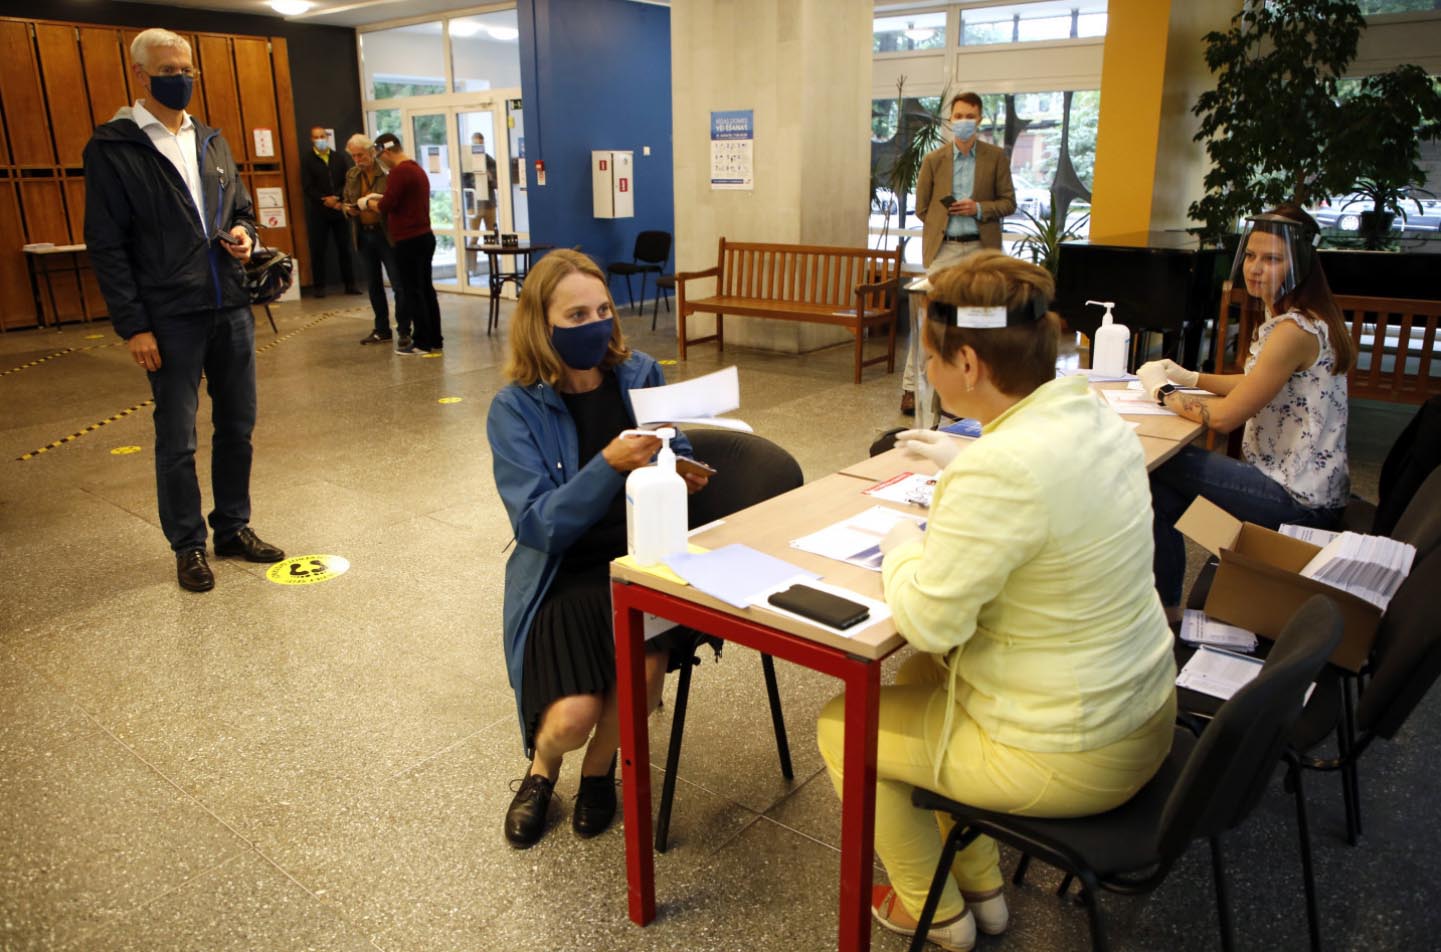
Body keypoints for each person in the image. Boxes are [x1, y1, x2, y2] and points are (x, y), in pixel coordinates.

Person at [816, 251, 1175, 952]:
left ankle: (935, 914)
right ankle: (980, 882)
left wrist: (901, 540)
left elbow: (926, 620)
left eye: (929, 355)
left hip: (1073, 754)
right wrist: (965, 463)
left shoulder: (998, 470)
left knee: (843, 723)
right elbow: (1047, 489)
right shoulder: (1093, 416)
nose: (925, 369)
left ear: (969, 365)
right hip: (1139, 710)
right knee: (924, 679)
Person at [487, 249, 711, 849]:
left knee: (641, 676)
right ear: (542, 324)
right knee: (571, 718)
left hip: (641, 562)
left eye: (603, 309)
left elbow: (674, 441)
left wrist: (681, 466)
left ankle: (597, 774)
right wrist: (607, 466)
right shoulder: (514, 408)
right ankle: (543, 770)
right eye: (576, 314)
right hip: (566, 572)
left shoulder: (639, 373)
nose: (596, 324)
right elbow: (538, 525)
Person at [83, 27, 286, 593]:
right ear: (141, 75)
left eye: (188, 68)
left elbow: (242, 209)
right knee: (178, 437)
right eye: (170, 70)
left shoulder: (211, 140)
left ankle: (233, 527)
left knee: (238, 427)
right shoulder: (114, 147)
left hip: (230, 306)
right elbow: (107, 245)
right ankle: (188, 544)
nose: (183, 79)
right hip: (168, 317)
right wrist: (134, 325)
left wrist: (245, 235)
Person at [1143, 205, 1352, 620]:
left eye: (1272, 259)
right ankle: (1165, 611)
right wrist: (1192, 376)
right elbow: (1253, 383)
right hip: (1306, 486)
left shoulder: (1292, 331)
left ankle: (1166, 602)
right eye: (1252, 255)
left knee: (1155, 465)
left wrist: (1162, 391)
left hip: (1298, 499)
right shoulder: (1299, 319)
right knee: (1158, 493)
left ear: (1301, 265)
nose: (1255, 268)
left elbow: (1224, 419)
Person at [902, 91, 1016, 416]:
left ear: (979, 120)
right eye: (958, 116)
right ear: (950, 120)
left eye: (970, 116)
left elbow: (1009, 202)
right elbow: (922, 208)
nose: (963, 122)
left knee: (982, 321)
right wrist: (947, 215)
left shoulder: (995, 158)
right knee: (928, 319)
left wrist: (978, 208)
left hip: (981, 250)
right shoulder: (934, 161)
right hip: (946, 248)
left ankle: (980, 389)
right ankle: (912, 388)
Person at [359, 133, 443, 354]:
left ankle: (422, 342)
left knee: (412, 291)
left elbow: (386, 205)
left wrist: (367, 202)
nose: (381, 162)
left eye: (380, 157)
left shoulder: (400, 172)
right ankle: (435, 338)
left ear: (386, 152)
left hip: (409, 240)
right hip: (425, 237)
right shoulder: (417, 169)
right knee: (426, 289)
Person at [340, 133, 407, 348]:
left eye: (360, 155)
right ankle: (382, 329)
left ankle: (405, 329)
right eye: (354, 157)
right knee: (373, 284)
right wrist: (347, 210)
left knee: (398, 284)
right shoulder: (352, 175)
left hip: (385, 233)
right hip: (363, 233)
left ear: (371, 152)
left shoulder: (387, 173)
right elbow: (346, 201)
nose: (358, 160)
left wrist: (370, 204)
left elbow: (392, 203)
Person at [301, 125, 358, 298]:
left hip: (339, 209)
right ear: (311, 139)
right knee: (318, 250)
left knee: (345, 248)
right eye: (316, 137)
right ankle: (319, 287)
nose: (320, 139)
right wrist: (325, 200)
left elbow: (347, 181)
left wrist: (337, 198)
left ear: (327, 137)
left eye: (322, 136)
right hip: (319, 211)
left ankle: (350, 284)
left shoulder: (338, 158)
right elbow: (308, 187)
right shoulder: (307, 160)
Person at [462, 132, 500, 279]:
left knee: (491, 237)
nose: (478, 147)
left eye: (480, 144)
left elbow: (498, 181)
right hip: (474, 204)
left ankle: (494, 267)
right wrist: (477, 178)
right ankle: (470, 270)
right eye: (475, 144)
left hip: (489, 203)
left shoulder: (489, 160)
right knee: (474, 237)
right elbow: (463, 183)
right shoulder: (467, 162)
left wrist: (490, 177)